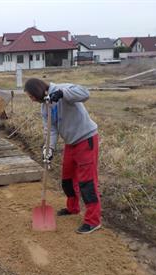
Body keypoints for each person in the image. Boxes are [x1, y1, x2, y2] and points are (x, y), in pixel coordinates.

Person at [24, 78, 101, 234]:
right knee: (67, 179)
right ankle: (72, 208)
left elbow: (85, 94)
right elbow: (51, 130)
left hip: (85, 139)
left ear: (38, 90)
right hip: (70, 143)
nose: (31, 100)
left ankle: (93, 221)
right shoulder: (44, 107)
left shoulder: (63, 89)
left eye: (31, 96)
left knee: (87, 182)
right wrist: (49, 149)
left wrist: (62, 94)